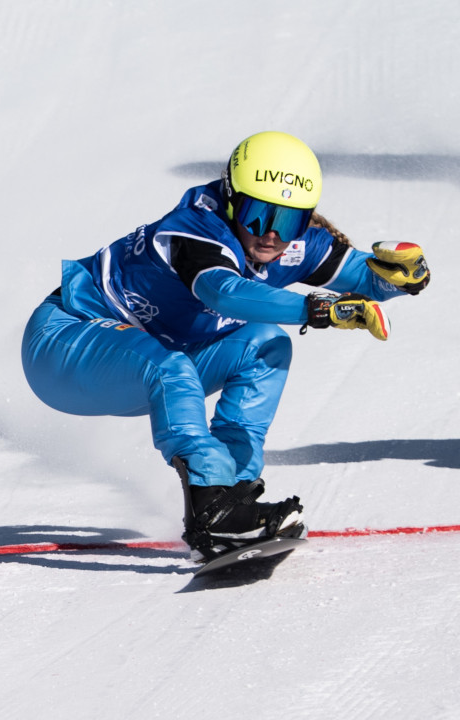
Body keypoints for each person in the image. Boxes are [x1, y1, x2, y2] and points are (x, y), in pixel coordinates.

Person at [21, 131, 429, 562]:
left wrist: (399, 276)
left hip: (142, 361)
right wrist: (319, 309)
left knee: (266, 344)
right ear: (232, 199)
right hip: (61, 345)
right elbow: (223, 293)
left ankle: (234, 492)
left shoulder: (293, 245)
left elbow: (363, 275)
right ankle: (211, 511)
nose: (271, 235)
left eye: (288, 221)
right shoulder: (199, 226)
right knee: (171, 365)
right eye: (257, 215)